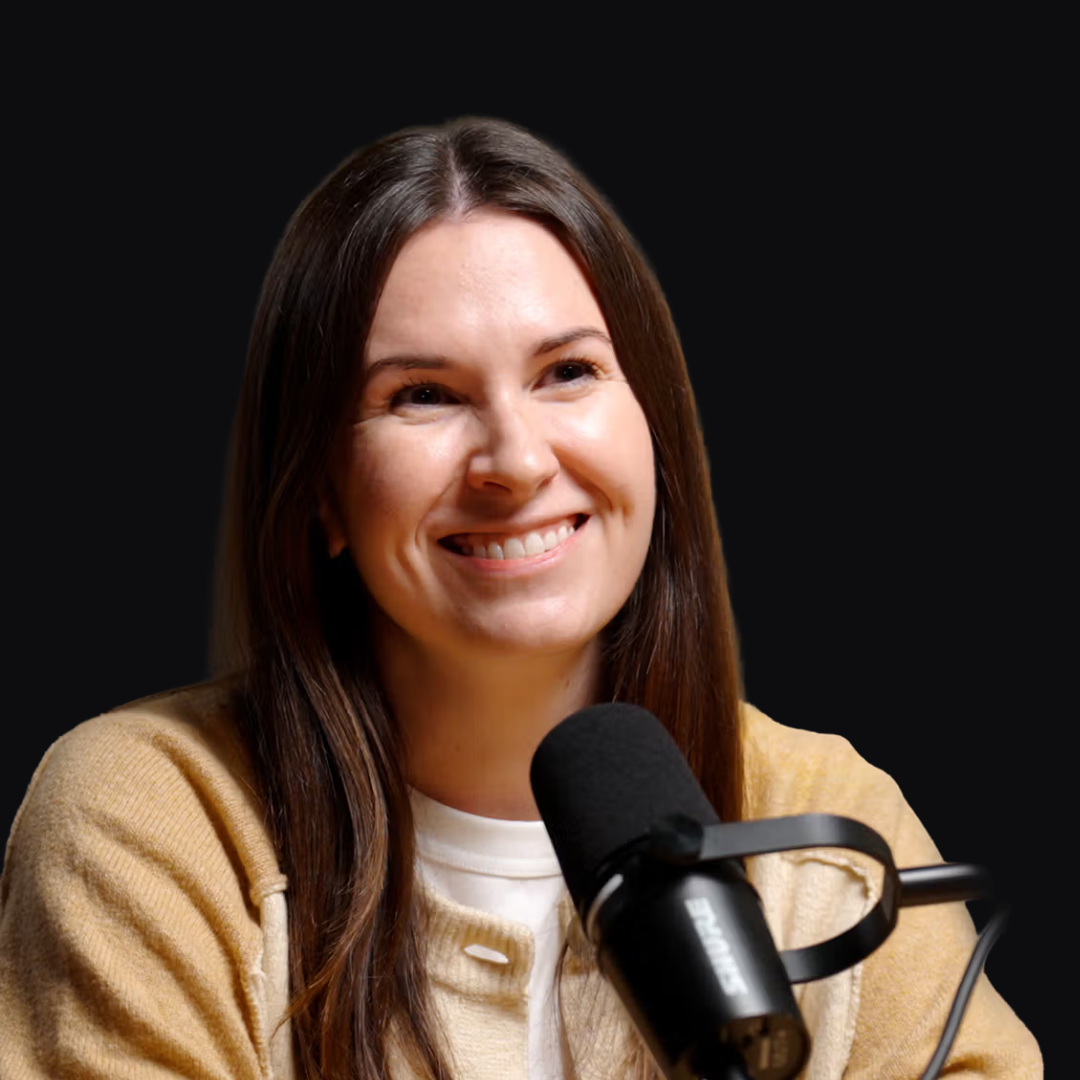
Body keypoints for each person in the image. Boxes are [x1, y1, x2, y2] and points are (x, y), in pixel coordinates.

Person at [0, 117, 1041, 1080]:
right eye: (424, 396)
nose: (514, 460)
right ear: (318, 492)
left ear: (655, 432)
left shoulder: (829, 832)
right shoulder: (152, 826)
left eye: (569, 373)